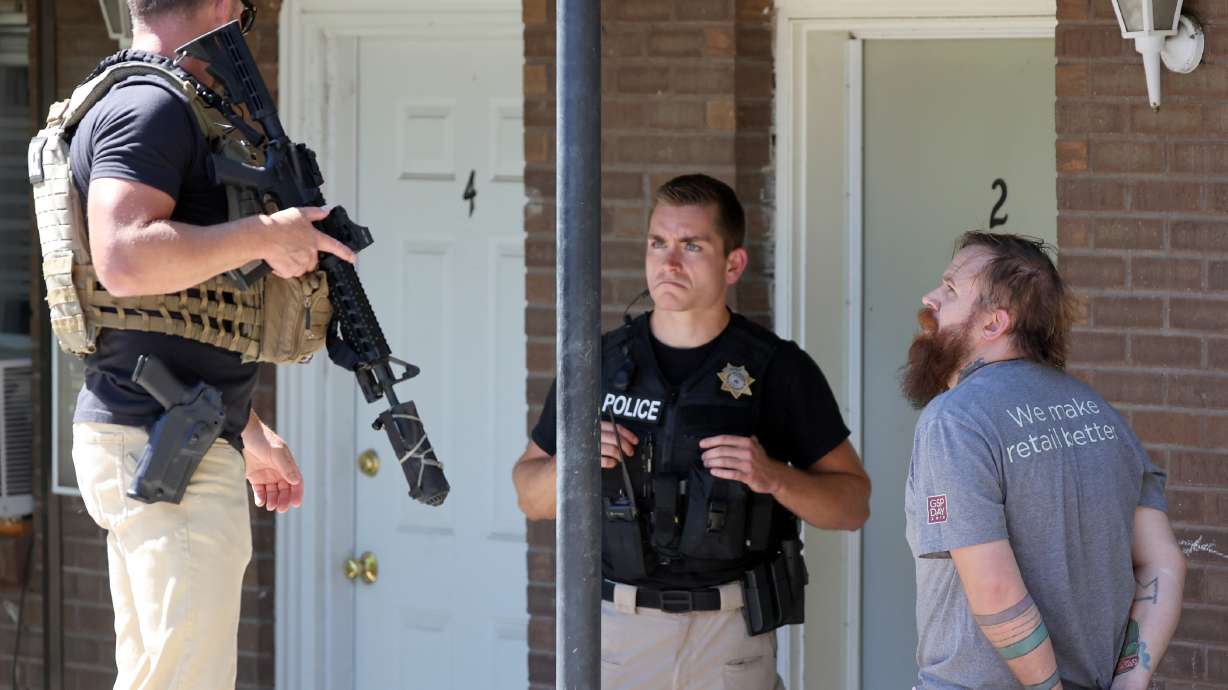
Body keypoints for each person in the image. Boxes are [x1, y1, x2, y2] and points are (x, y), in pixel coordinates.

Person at [56, 1, 355, 687]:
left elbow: (157, 317)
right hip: (165, 446)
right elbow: (124, 258)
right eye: (245, 14)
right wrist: (264, 237)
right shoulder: (153, 106)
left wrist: (246, 428)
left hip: (168, 426)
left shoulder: (136, 97)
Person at [512, 173, 871, 689]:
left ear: (733, 264)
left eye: (692, 246)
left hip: (727, 636)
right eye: (658, 243)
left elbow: (853, 504)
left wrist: (774, 477)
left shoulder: (777, 369)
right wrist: (573, 463)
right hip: (618, 634)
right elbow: (529, 496)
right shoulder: (597, 362)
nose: (669, 262)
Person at [901, 232, 1185, 690]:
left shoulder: (955, 421)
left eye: (950, 289)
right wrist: (1130, 683)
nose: (930, 298)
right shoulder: (1101, 414)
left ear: (994, 324)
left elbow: (995, 588)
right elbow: (1163, 564)